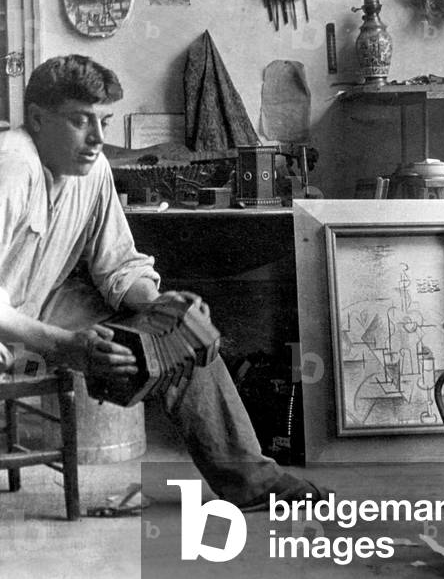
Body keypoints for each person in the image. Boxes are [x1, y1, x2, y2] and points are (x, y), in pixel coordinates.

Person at [0, 54, 324, 509]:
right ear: (36, 118)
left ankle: (252, 482)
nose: (97, 139)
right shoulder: (11, 166)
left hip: (37, 305)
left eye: (104, 121)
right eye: (80, 121)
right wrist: (62, 344)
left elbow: (117, 265)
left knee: (181, 331)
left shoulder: (89, 170)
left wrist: (160, 303)